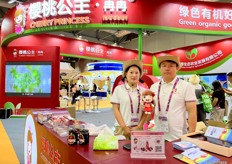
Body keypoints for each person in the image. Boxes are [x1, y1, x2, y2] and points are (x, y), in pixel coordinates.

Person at [150, 55, 197, 141]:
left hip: (178, 136)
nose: (167, 68)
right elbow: (152, 109)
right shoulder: (154, 87)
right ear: (160, 68)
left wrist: (191, 136)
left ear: (176, 68)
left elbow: (192, 112)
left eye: (171, 66)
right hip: (158, 135)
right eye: (164, 66)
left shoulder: (186, 86)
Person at [110, 59, 147, 139]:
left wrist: (139, 126)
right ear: (126, 74)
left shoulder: (143, 91)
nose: (134, 75)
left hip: (138, 129)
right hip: (121, 128)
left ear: (140, 74)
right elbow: (116, 109)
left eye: (137, 72)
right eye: (131, 72)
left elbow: (145, 111)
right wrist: (124, 127)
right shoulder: (119, 89)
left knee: (138, 151)